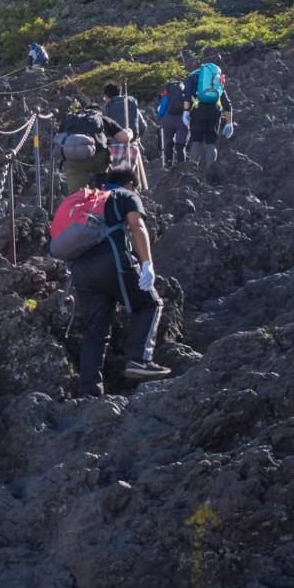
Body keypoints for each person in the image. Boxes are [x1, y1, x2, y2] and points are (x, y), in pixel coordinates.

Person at [64, 165, 170, 396]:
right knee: (150, 304)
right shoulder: (126, 195)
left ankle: (90, 390)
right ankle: (139, 360)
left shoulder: (93, 199)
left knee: (96, 330)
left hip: (81, 270)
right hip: (111, 262)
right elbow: (137, 225)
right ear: (130, 184)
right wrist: (146, 264)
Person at [55, 100, 130, 193]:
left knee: (76, 197)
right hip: (98, 162)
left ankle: (77, 200)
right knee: (102, 194)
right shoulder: (102, 119)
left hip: (74, 163)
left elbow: (59, 143)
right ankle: (101, 197)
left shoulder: (70, 120)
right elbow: (123, 137)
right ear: (100, 112)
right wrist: (129, 132)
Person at [182, 60, 236, 176]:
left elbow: (187, 96)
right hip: (215, 110)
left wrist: (185, 112)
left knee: (196, 140)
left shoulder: (192, 76)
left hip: (198, 110)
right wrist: (229, 123)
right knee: (211, 142)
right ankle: (210, 173)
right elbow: (227, 103)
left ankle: (192, 174)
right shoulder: (217, 78)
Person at [155, 73, 190, 169]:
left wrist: (158, 117)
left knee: (169, 142)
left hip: (168, 120)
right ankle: (181, 166)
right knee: (180, 145)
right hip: (182, 120)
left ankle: (169, 164)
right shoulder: (185, 94)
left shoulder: (167, 96)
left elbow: (162, 110)